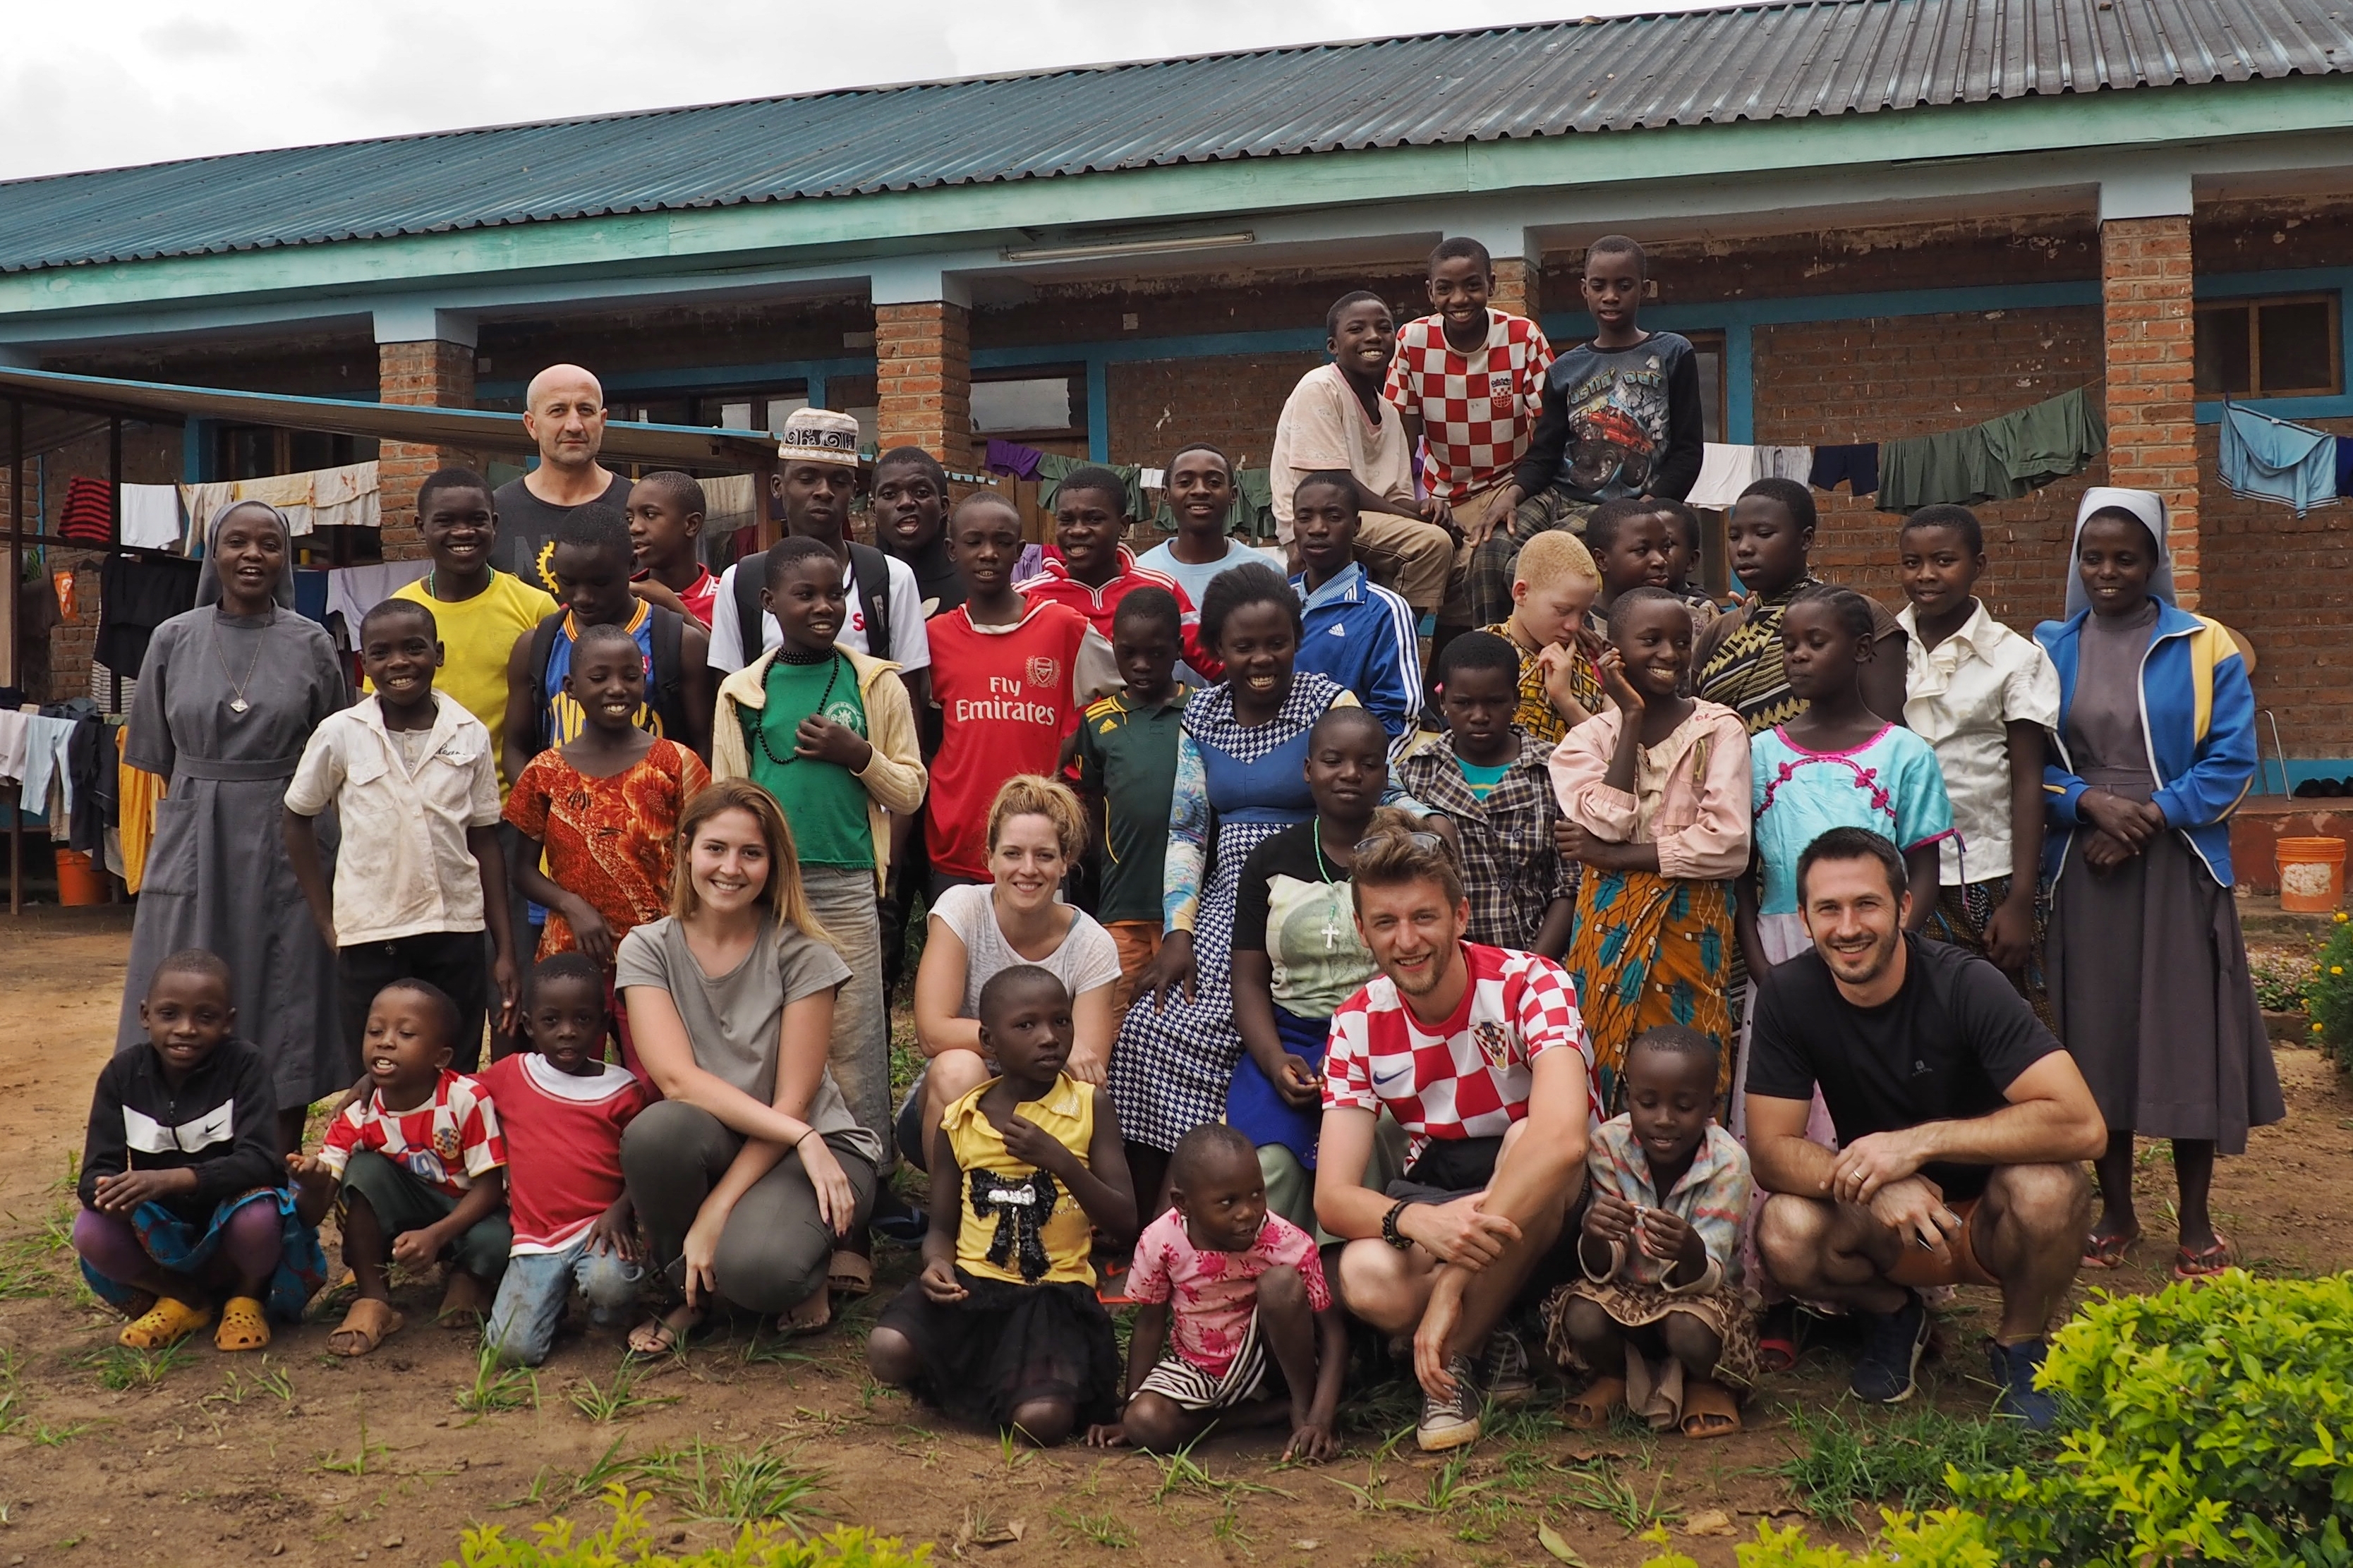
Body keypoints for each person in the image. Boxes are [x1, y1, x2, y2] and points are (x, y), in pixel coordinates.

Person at [1746, 827, 2107, 1426]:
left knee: (2049, 1184)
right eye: (1827, 909)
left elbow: (2083, 1123)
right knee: (1784, 1227)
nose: (1848, 927)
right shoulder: (1789, 994)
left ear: (1903, 907)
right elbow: (1770, 1150)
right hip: (1887, 1224)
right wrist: (1874, 1179)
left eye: (1866, 904)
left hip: (1995, 1212)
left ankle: (2020, 1344)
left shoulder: (1965, 983)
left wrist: (1917, 1144)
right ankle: (1893, 1315)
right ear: (1804, 920)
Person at [1110, 566, 1422, 1206]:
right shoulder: (1204, 712)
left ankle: (1268, 1172)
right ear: (1217, 649)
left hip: (1317, 885)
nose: (1261, 658)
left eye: (1275, 642)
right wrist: (1178, 932)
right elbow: (1188, 832)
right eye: (1243, 645)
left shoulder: (1325, 700)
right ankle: (1177, 1202)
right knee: (1155, 1025)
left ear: (1295, 639)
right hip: (1230, 895)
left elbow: (1377, 780)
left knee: (1252, 1021)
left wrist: (1428, 822)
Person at [2036, 488, 2282, 1279]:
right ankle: (2113, 1210)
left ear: (2155, 562)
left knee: (2183, 1039)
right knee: (2094, 1038)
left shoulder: (2202, 645)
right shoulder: (2047, 646)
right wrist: (2086, 804)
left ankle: (2197, 1222)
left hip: (2174, 863)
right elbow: (2025, 764)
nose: (2107, 572)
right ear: (2076, 560)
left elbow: (2230, 761)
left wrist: (2148, 817)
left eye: (2126, 557)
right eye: (2093, 556)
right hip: (2085, 866)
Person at [1317, 823, 1597, 1452]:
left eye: (1424, 916)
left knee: (1531, 1137)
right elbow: (1332, 1197)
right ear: (1362, 931)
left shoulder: (1533, 981)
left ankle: (1455, 1358)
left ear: (1460, 914)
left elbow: (1563, 1143)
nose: (1407, 940)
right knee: (1362, 1272)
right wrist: (1416, 1220)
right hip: (1444, 1189)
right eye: (1385, 922)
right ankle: (1497, 1334)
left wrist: (1448, 1283)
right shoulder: (1356, 1020)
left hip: (1554, 1201)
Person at [615, 781, 883, 1351]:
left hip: (820, 1150)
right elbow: (676, 1080)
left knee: (761, 1272)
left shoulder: (803, 954)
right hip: (749, 1136)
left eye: (751, 853)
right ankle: (687, 1296)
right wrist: (796, 1136)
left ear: (772, 864)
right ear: (686, 849)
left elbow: (793, 1101)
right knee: (657, 1131)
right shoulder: (647, 947)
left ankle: (805, 1267)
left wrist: (718, 1205)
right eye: (716, 848)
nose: (730, 868)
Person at [118, 501, 346, 1155]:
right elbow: (157, 756)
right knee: (188, 984)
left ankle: (274, 1156)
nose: (253, 555)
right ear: (213, 554)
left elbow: (335, 748)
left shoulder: (312, 642)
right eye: (237, 542)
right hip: (198, 831)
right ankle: (186, 1151)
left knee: (288, 989)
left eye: (269, 544)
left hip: (290, 836)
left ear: (285, 559)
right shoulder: (172, 638)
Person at [713, 534, 927, 1193]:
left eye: (835, 592)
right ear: (770, 602)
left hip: (844, 882)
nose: (824, 606)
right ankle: (782, 1169)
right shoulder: (743, 694)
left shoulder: (875, 682)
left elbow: (911, 789)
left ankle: (866, 1184)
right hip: (767, 889)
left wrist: (856, 753)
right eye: (805, 595)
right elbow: (725, 802)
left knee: (856, 1035)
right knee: (768, 1030)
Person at [868, 966, 1137, 1444]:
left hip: (1052, 1294)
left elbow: (1124, 1220)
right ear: (989, 1042)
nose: (1050, 1037)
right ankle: (999, 1378)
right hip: (976, 1288)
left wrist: (1061, 1161)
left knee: (1042, 1422)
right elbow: (942, 1227)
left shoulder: (1089, 1105)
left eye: (1062, 1021)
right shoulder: (961, 1118)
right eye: (1027, 1025)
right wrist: (935, 1264)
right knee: (887, 1348)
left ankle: (1024, 1386)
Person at [1739, 588, 1953, 1116]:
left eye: (1816, 641)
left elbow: (1924, 868)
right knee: (1787, 1102)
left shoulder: (1904, 753)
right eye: (1788, 644)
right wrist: (1760, 963)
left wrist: (1890, 945)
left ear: (1861, 649)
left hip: (1877, 945)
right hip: (1781, 946)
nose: (1798, 655)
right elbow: (1740, 873)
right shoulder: (1757, 753)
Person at [284, 599, 518, 1075]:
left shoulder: (468, 732)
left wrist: (505, 947)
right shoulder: (341, 733)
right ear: (364, 664)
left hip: (454, 929)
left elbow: (485, 840)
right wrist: (325, 918)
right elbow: (297, 815)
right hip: (372, 930)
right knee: (377, 1068)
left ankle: (450, 1146)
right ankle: (378, 1147)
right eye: (381, 652)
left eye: (414, 648)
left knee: (455, 1062)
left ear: (439, 653)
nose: (399, 662)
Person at [1551, 590, 1750, 1111]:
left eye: (1681, 642)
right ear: (1612, 651)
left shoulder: (1719, 728)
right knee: (1604, 1066)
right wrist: (1631, 715)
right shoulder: (1584, 742)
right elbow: (1608, 820)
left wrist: (1617, 859)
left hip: (1692, 933)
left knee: (1693, 1072)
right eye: (1650, 640)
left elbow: (1727, 846)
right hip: (1606, 928)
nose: (1669, 653)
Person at [75, 950, 326, 1352]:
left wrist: (170, 1179)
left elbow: (263, 1161)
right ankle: (182, 1299)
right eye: (169, 1014)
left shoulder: (244, 1066)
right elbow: (93, 1176)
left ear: (228, 1022)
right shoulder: (122, 1076)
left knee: (260, 1216)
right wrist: (110, 1193)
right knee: (92, 1229)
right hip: (163, 1234)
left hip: (233, 1225)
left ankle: (247, 1298)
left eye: (205, 1018)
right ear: (145, 1015)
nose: (186, 1029)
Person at [504, 621, 710, 1076]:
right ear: (571, 688)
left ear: (644, 679)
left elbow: (704, 858)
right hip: (572, 962)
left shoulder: (676, 763)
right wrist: (570, 904)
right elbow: (520, 871)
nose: (617, 688)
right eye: (599, 679)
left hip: (660, 958)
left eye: (630, 676)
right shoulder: (546, 771)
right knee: (576, 1080)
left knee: (658, 1077)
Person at [1087, 1123, 1345, 1460]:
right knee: (1145, 1423)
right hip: (1197, 1366)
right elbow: (1150, 1324)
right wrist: (1130, 1408)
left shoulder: (1287, 1243)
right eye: (1227, 1202)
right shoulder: (1160, 1241)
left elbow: (1334, 1336)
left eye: (1257, 1193)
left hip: (1273, 1364)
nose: (1248, 1212)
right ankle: (1256, 1416)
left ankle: (1299, 1409)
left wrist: (1320, 1419)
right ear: (1182, 1203)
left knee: (1280, 1284)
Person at [1546, 1025, 1754, 1439]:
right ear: (1627, 1099)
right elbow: (1604, 1261)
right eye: (1647, 1102)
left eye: (1684, 1106)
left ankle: (1705, 1384)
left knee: (1685, 1325)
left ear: (1712, 1105)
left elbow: (1713, 1271)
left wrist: (1690, 1252)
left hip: (1701, 1301)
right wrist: (1594, 1234)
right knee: (1582, 1314)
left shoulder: (1728, 1162)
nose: (1663, 1120)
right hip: (1626, 1296)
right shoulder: (1607, 1145)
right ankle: (1615, 1378)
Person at [905, 776, 1123, 1169]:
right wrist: (1054, 1043)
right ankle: (950, 1222)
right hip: (953, 1099)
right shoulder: (962, 911)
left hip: (1046, 1106)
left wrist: (1062, 1052)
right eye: (1012, 853)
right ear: (989, 858)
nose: (1027, 869)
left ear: (1065, 862)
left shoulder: (1092, 945)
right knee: (959, 1068)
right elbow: (932, 1032)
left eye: (1044, 855)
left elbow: (1089, 1071)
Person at [1229, 710, 1393, 1229]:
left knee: (1355, 1154)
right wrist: (1275, 1059)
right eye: (1333, 760)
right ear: (1307, 769)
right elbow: (1249, 979)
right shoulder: (1270, 858)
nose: (1350, 773)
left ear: (1385, 777)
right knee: (1269, 1164)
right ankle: (1272, 1284)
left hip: (1383, 1044)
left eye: (1367, 764)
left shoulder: (1401, 859)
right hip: (1291, 1040)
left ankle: (1343, 1278)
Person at [291, 980, 512, 1359]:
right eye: (375, 1031)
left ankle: (469, 1276)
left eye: (405, 1033)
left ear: (441, 1058)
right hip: (405, 1209)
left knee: (498, 1245)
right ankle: (373, 1298)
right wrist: (313, 1184)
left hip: (465, 1211)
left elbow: (490, 1187)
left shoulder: (466, 1100)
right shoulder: (358, 1115)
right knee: (363, 1171)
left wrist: (436, 1236)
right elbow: (311, 1215)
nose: (386, 1041)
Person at [1896, 504, 2060, 991]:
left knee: (1998, 1016)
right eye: (1911, 562)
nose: (1925, 575)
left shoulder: (2015, 658)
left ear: (1978, 565)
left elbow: (2029, 779)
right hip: (1900, 869)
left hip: (1986, 873)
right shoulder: (1882, 648)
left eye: (1943, 560)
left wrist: (2020, 899)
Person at [923, 492, 1115, 891]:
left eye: (1002, 542)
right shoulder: (935, 636)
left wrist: (1071, 749)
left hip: (1040, 843)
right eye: (974, 542)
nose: (989, 553)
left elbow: (1124, 693)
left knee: (1039, 953)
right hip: (957, 838)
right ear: (952, 550)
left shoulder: (1064, 627)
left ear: (1020, 550)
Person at [1496, 236, 1702, 600]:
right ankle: (1500, 651)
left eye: (1624, 286)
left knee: (1528, 569)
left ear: (1644, 289)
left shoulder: (1672, 352)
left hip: (1614, 506)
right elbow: (1545, 452)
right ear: (1584, 290)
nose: (1611, 296)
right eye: (1599, 286)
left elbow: (1688, 452)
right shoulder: (1565, 368)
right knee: (1490, 556)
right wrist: (1512, 493)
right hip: (1556, 495)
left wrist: (1649, 505)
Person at [478, 954, 648, 1367]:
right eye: (551, 1022)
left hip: (600, 1231)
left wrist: (619, 1211)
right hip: (535, 1238)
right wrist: (369, 1081)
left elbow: (645, 1168)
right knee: (510, 1353)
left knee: (609, 1284)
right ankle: (549, 1306)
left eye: (583, 1020)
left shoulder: (623, 1090)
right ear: (529, 1025)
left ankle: (608, 1317)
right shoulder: (511, 1075)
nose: (568, 1033)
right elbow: (450, 1093)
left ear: (604, 1023)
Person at [1382, 237, 1556, 632]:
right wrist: (1413, 504)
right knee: (1420, 579)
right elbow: (1401, 436)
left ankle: (1484, 668)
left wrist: (1519, 492)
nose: (1459, 298)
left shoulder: (1522, 337)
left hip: (1509, 484)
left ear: (1492, 285)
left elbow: (1549, 430)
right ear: (1430, 292)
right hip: (1444, 495)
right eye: (1445, 288)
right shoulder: (1412, 341)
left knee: (1486, 563)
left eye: (1472, 285)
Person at [706, 411, 932, 707]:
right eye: (807, 478)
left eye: (839, 481)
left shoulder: (889, 577)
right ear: (778, 486)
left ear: (853, 491)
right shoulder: (742, 581)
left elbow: (908, 697)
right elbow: (728, 700)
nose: (824, 492)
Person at [1268, 291, 1456, 637]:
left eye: (1383, 328)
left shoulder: (1388, 412)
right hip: (1322, 518)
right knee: (1432, 544)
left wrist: (1424, 507)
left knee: (1461, 554)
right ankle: (1386, 638)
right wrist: (1414, 521)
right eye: (1357, 329)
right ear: (1333, 346)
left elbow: (1396, 497)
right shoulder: (1320, 388)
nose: (1373, 336)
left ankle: (1396, 641)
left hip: (1363, 519)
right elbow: (1335, 485)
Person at [502, 504, 713, 791]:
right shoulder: (536, 645)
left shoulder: (679, 643)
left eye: (600, 582)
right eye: (568, 582)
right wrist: (547, 806)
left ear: (631, 565)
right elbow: (515, 746)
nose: (583, 596)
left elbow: (704, 745)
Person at [1395, 633, 1574, 959]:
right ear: (1443, 701)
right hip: (1450, 962)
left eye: (1494, 702)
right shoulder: (1417, 773)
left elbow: (1569, 885)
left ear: (1516, 699)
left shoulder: (1553, 771)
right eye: (1464, 703)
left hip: (1539, 957)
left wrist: (1533, 966)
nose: (1479, 715)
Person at [385, 468, 559, 797]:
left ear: (495, 524)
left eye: (476, 520)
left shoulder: (535, 607)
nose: (463, 532)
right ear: (421, 527)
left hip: (510, 806)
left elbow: (558, 711)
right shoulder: (400, 612)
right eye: (446, 521)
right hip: (425, 804)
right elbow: (378, 711)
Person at [1693, 478, 1907, 736]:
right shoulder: (1718, 633)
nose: (1745, 548)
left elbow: (1886, 736)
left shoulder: (1859, 616)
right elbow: (1698, 730)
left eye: (1763, 534)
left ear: (1805, 539)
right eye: (1734, 536)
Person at [1070, 588, 1191, 1021]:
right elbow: (1090, 803)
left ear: (1177, 649)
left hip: (1189, 910)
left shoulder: (1202, 714)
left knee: (1183, 1014)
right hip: (1122, 905)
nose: (1141, 665)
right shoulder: (1098, 721)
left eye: (1156, 653)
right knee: (1114, 1014)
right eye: (1129, 653)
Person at [1022, 464, 1214, 674]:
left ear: (1123, 525)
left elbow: (1214, 663)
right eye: (1066, 520)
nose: (1077, 530)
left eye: (1094, 519)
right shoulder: (1029, 596)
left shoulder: (1160, 588)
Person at [1288, 470, 1422, 747]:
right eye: (1305, 518)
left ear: (1357, 525)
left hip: (1344, 777)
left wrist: (1345, 772)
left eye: (1333, 517)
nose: (1317, 528)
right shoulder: (1275, 601)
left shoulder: (1385, 610)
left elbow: (1399, 718)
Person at [1135, 444, 1271, 686]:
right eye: (1185, 482)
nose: (1200, 491)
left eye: (1214, 482)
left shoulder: (1264, 572)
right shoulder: (1142, 573)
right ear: (1166, 496)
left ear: (1233, 495)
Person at [494, 365, 634, 595]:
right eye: (558, 410)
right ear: (532, 424)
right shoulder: (495, 514)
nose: (574, 425)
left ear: (602, 421)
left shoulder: (638, 509)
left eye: (586, 410)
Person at [1482, 529, 1607, 748]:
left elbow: (1615, 751)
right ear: (1521, 593)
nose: (1574, 626)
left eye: (1583, 613)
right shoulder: (1477, 653)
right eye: (1562, 610)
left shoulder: (1591, 659)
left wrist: (1564, 698)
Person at [873, 446, 964, 619]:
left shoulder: (974, 587)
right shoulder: (856, 585)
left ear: (943, 507)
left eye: (921, 492)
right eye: (890, 494)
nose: (906, 502)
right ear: (874, 509)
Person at [627, 470, 718, 628]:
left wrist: (670, 603)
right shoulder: (620, 597)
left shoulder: (727, 596)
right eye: (629, 518)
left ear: (691, 525)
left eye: (649, 515)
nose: (635, 528)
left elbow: (725, 653)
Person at [1583, 497, 1674, 624]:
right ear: (1601, 560)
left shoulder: (1696, 613)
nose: (1660, 560)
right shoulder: (1575, 626)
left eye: (1666, 548)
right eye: (1642, 550)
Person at [1654, 500, 1720, 628]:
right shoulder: (1622, 603)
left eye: (1667, 546)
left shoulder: (1703, 612)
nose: (1655, 557)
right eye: (1642, 548)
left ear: (1691, 561)